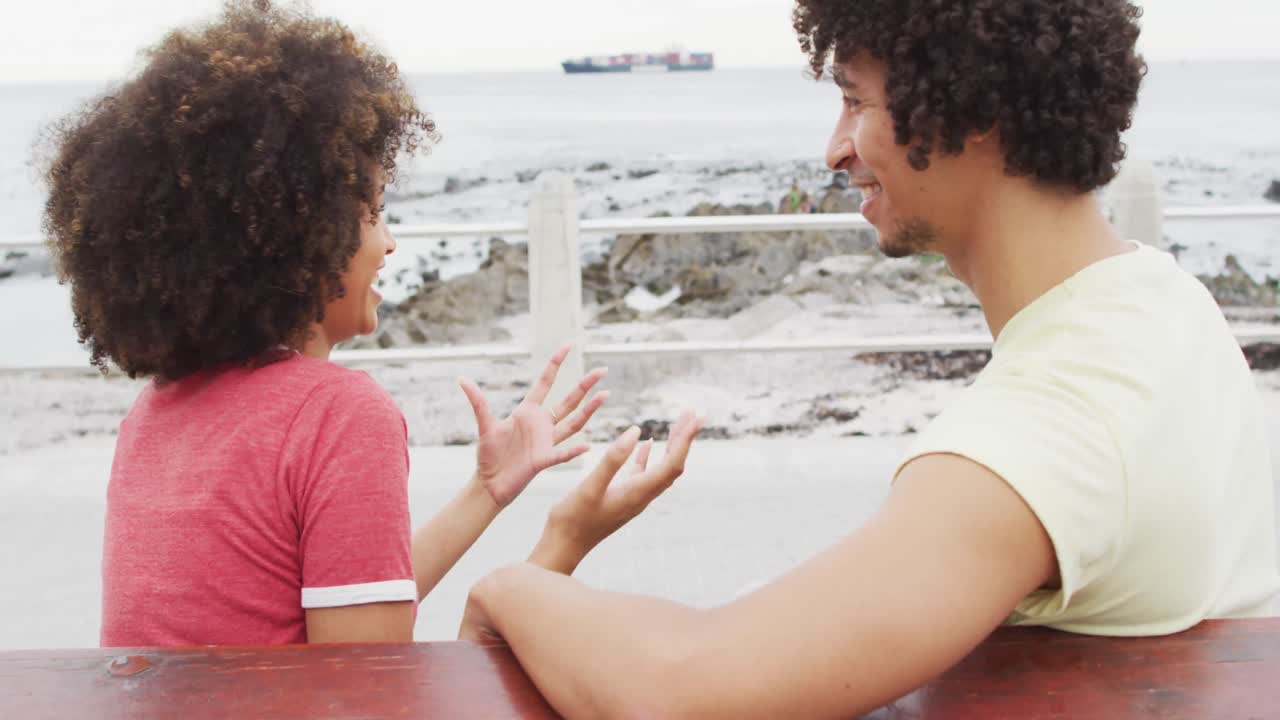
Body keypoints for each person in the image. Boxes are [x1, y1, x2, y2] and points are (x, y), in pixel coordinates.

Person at [457, 2, 1279, 717]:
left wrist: (512, 586)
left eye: (855, 102)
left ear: (972, 106)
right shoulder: (1165, 300)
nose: (834, 150)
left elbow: (682, 689)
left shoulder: (1045, 429)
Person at [41, 0, 698, 647]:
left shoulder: (154, 415)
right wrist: (566, 539)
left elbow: (348, 601)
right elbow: (366, 684)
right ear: (302, 234)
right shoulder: (339, 416)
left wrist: (486, 491)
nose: (389, 243)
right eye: (374, 213)